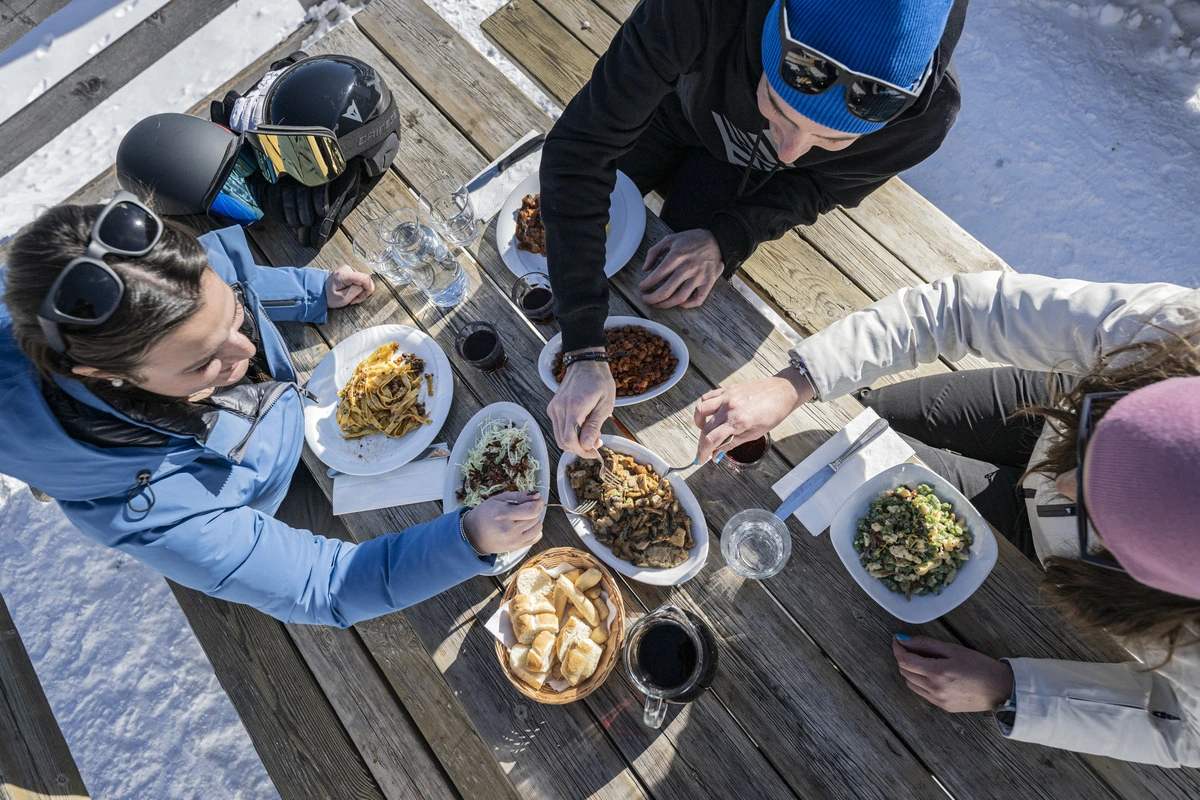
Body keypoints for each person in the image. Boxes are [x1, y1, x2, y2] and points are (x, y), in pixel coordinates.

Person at [693, 269, 1200, 766]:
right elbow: (964, 308)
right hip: (1048, 414)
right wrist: (797, 381)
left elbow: (1183, 730)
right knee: (860, 425)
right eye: (1104, 434)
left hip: (1043, 547)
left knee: (848, 461)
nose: (1062, 483)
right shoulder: (1168, 335)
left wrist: (1014, 690)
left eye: (1097, 516)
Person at [0, 193, 543, 627]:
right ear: (107, 377)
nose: (248, 351)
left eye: (235, 319)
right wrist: (465, 540)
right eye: (203, 363)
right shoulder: (144, 506)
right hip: (263, 506)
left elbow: (231, 281)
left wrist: (310, 290)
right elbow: (322, 584)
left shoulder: (145, 280)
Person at [543, 0, 967, 460]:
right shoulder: (693, 11)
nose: (790, 151)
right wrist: (584, 347)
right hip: (676, 107)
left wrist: (730, 236)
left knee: (671, 293)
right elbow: (581, 152)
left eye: (831, 140)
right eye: (777, 106)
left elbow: (816, 185)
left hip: (748, 183)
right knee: (571, 233)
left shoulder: (927, 116)